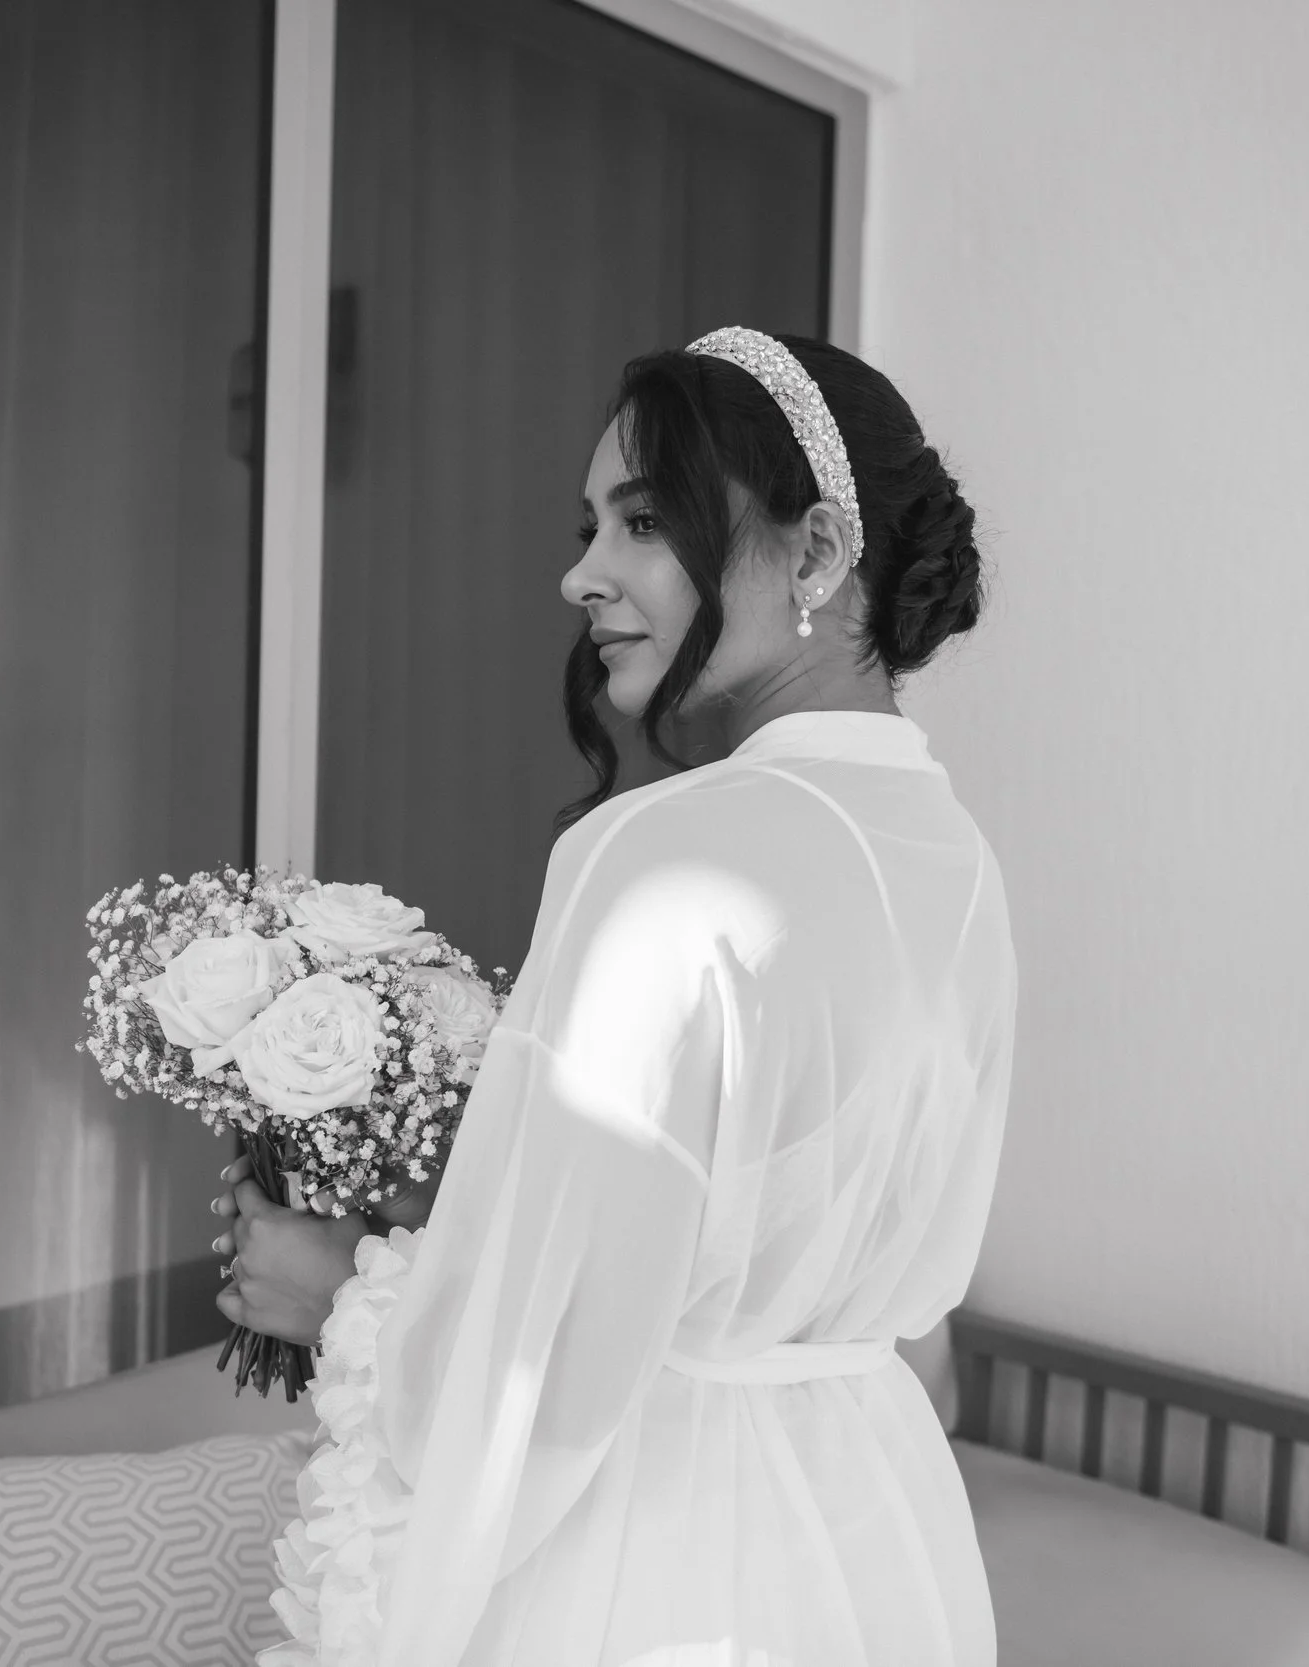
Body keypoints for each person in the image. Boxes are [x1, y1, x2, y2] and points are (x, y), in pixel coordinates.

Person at [213, 327, 1017, 1666]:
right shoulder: (959, 862)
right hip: (873, 1540)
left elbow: (536, 1390)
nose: (580, 575)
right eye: (590, 524)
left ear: (815, 552)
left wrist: (340, 1284)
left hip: (660, 1558)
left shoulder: (658, 852)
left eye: (642, 521)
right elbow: (760, 1239)